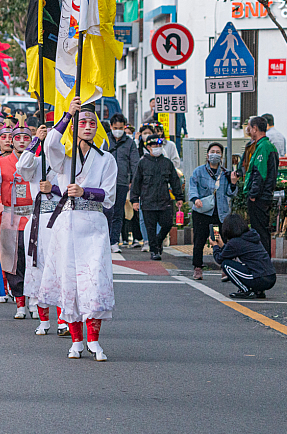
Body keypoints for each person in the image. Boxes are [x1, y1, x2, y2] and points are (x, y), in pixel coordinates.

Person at [37, 98, 117, 361]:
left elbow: (109, 196)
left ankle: (94, 340)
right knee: (69, 282)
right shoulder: (64, 159)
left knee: (94, 281)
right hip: (67, 225)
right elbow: (50, 144)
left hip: (94, 226)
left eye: (92, 123)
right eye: (82, 122)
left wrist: (85, 191)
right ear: (75, 126)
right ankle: (76, 341)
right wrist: (67, 115)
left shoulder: (107, 160)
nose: (87, 127)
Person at [16, 113, 68, 336]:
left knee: (62, 270)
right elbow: (22, 165)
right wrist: (36, 140)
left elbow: (75, 191)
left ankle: (65, 319)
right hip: (38, 221)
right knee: (38, 269)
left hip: (62, 220)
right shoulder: (37, 163)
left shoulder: (68, 165)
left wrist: (53, 190)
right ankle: (44, 320)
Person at [0, 116, 35, 317]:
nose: (22, 141)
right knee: (11, 260)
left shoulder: (38, 162)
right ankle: (20, 303)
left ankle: (35, 301)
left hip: (32, 215)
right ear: (12, 141)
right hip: (10, 216)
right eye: (18, 138)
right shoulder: (0, 164)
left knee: (34, 259)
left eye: (27, 138)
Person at [187, 142, 238, 280]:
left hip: (218, 214)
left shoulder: (225, 173)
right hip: (202, 213)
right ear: (207, 154)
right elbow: (192, 187)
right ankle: (197, 268)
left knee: (218, 239)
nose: (214, 154)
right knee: (199, 240)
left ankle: (225, 268)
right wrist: (195, 199)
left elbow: (230, 193)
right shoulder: (199, 171)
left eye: (218, 152)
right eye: (212, 151)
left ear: (221, 156)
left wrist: (233, 183)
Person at [130, 135, 184, 261]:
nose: (158, 148)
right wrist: (134, 200)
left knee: (167, 224)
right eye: (155, 146)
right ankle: (154, 251)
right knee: (150, 228)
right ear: (148, 147)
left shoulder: (167, 163)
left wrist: (179, 197)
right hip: (148, 201)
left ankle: (159, 241)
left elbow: (175, 181)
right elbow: (136, 182)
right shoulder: (142, 163)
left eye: (160, 146)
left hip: (164, 201)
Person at [213, 213, 276, 299]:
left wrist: (215, 246)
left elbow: (219, 259)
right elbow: (232, 252)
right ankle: (258, 291)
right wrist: (222, 245)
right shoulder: (251, 235)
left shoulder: (235, 242)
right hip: (271, 277)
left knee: (226, 265)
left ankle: (245, 291)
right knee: (246, 265)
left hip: (259, 277)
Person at [243, 116, 279, 256]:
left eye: (250, 127)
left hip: (259, 198)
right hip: (263, 196)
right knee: (261, 230)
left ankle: (263, 261)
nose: (249, 130)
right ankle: (263, 261)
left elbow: (260, 174)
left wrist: (253, 195)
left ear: (255, 128)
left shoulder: (263, 147)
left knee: (260, 231)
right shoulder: (264, 146)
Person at [107, 113, 139, 253]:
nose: (118, 130)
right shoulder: (105, 140)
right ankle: (104, 240)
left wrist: (133, 181)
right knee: (105, 212)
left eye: (120, 128)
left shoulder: (130, 143)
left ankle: (114, 241)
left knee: (118, 213)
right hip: (105, 182)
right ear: (111, 126)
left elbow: (135, 163)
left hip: (122, 182)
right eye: (115, 127)